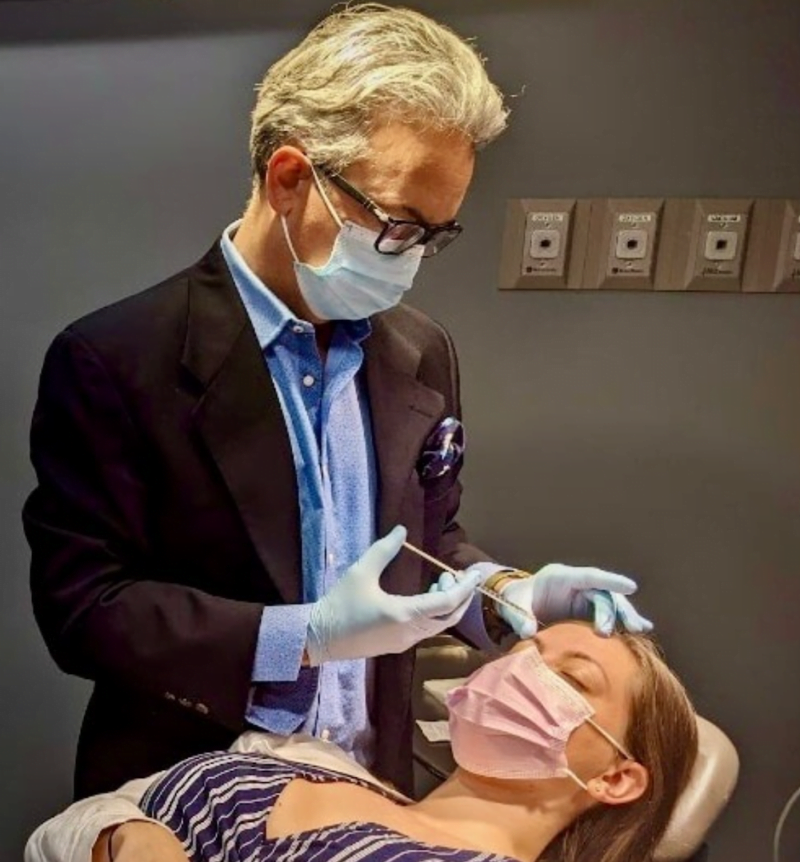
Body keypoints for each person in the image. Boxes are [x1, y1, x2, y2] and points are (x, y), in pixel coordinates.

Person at [22, 3, 652, 803]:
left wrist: (502, 592)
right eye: (397, 225)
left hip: (365, 786)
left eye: (436, 235)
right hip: (179, 795)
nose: (412, 260)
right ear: (291, 179)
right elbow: (86, 609)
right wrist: (304, 638)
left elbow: (426, 543)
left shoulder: (416, 350)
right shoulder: (117, 358)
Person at [25, 622, 698, 862]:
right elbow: (56, 834)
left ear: (616, 778)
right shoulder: (303, 758)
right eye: (524, 648)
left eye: (569, 677)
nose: (523, 670)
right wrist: (126, 838)